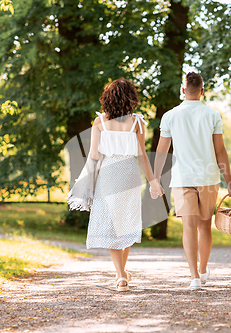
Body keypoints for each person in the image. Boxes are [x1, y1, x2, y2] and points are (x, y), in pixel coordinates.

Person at [67, 78, 163, 292]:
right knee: (126, 221)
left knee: (112, 224)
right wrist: (153, 182)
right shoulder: (138, 122)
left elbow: (93, 155)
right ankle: (122, 273)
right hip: (130, 173)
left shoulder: (99, 122)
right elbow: (142, 156)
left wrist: (85, 183)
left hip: (108, 173)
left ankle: (120, 276)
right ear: (131, 99)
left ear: (108, 98)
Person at [152, 72, 231, 290]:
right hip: (208, 178)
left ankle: (194, 278)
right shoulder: (213, 115)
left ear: (183, 90)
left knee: (188, 227)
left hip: (182, 179)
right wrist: (230, 182)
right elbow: (220, 151)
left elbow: (162, 151)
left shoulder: (170, 116)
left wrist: (155, 178)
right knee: (205, 226)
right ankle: (203, 270)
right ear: (202, 90)